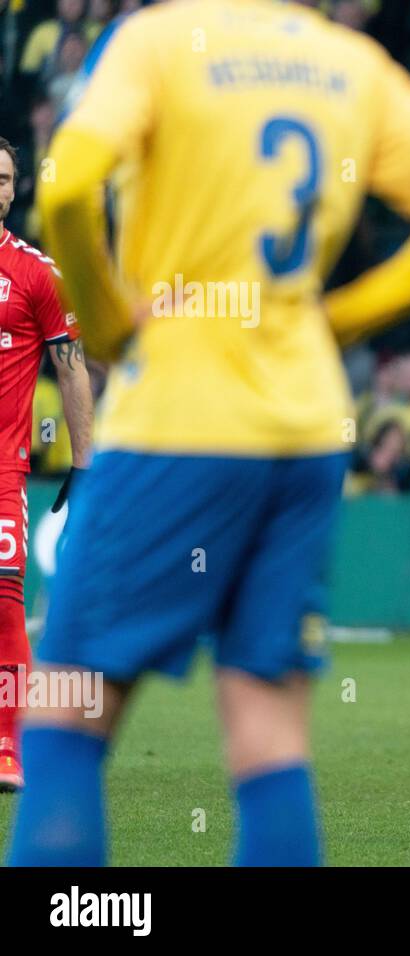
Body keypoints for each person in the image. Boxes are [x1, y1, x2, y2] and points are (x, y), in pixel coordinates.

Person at [7, 0, 410, 866]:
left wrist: (102, 321)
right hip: (307, 428)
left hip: (178, 418)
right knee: (268, 722)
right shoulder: (344, 61)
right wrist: (345, 318)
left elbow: (65, 181)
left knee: (64, 710)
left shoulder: (160, 39)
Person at [0, 137, 95, 793]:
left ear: (15, 189)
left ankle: (8, 749)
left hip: (3, 473)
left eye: (4, 178)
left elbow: (72, 369)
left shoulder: (37, 273)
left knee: (6, 602)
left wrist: (84, 462)